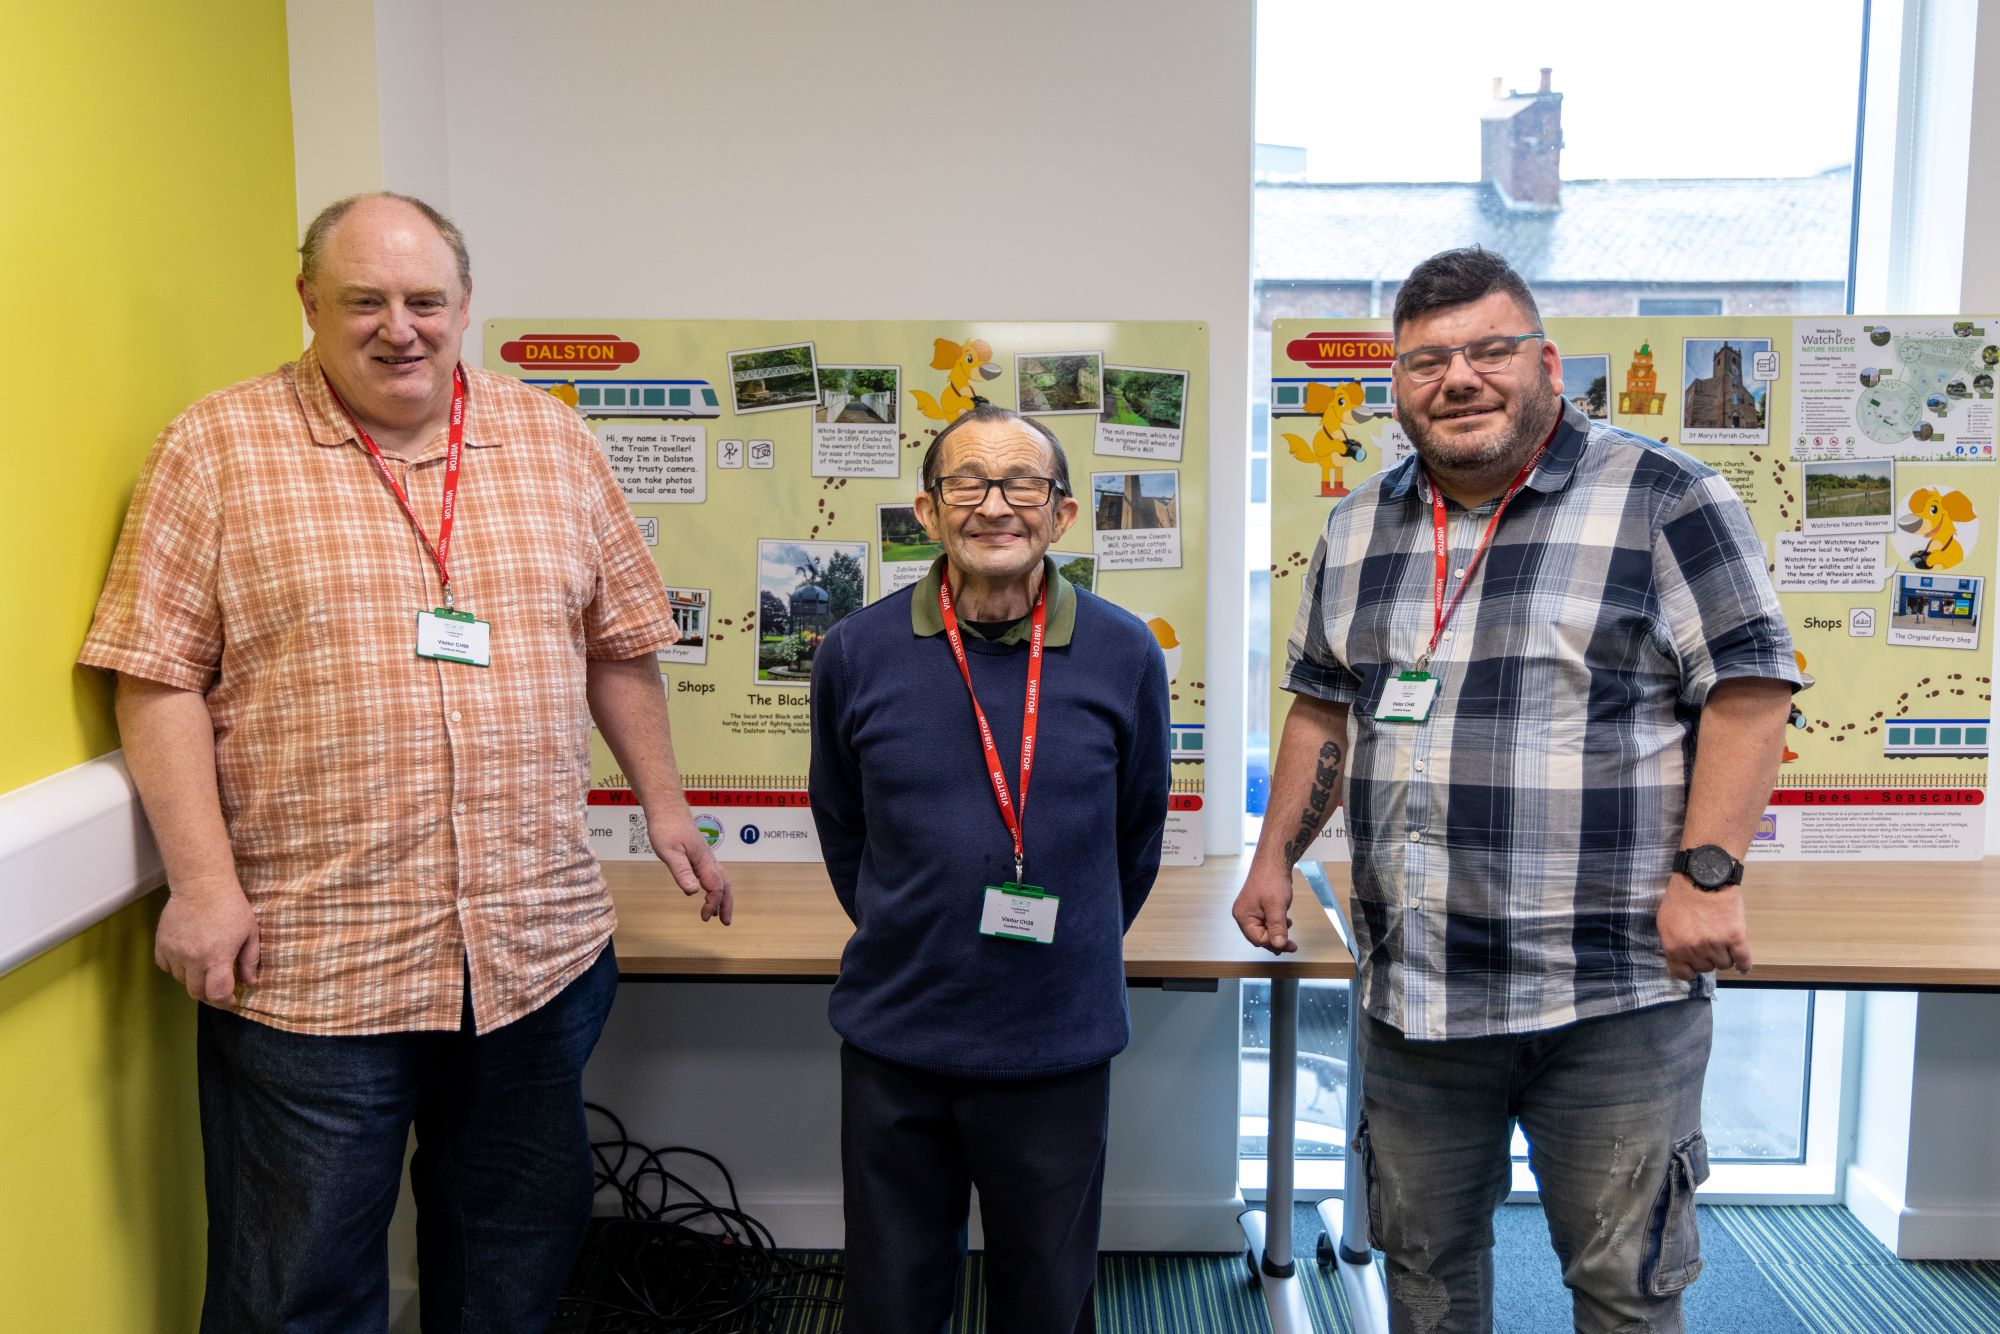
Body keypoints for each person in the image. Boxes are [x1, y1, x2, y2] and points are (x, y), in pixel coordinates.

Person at [78, 192, 731, 1333]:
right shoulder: (216, 446)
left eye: (426, 300)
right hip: (314, 963)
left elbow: (618, 644)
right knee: (297, 1287)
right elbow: (155, 672)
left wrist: (665, 809)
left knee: (511, 1265)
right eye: (363, 301)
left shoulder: (553, 441)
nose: (400, 328)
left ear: (465, 303)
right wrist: (201, 882)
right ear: (307, 302)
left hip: (533, 950)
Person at [1233, 247, 1798, 1334]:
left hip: (1610, 991)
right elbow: (1320, 705)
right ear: (1396, 386)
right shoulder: (1356, 527)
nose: (1458, 378)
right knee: (1426, 1279)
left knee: (1622, 1286)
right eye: (1425, 360)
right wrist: (1271, 858)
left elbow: (1747, 688)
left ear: (1544, 360)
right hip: (1418, 990)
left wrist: (1708, 874)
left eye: (1489, 349)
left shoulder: (1663, 494)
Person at [808, 401, 1170, 1333]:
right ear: (927, 512)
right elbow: (844, 828)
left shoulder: (1126, 652)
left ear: (1062, 514)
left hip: (1055, 1040)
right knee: (891, 1303)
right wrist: (912, 927)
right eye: (966, 483)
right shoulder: (856, 651)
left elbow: (1137, 835)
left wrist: (1061, 952)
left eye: (1023, 485)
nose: (995, 505)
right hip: (900, 1036)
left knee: (1046, 1304)